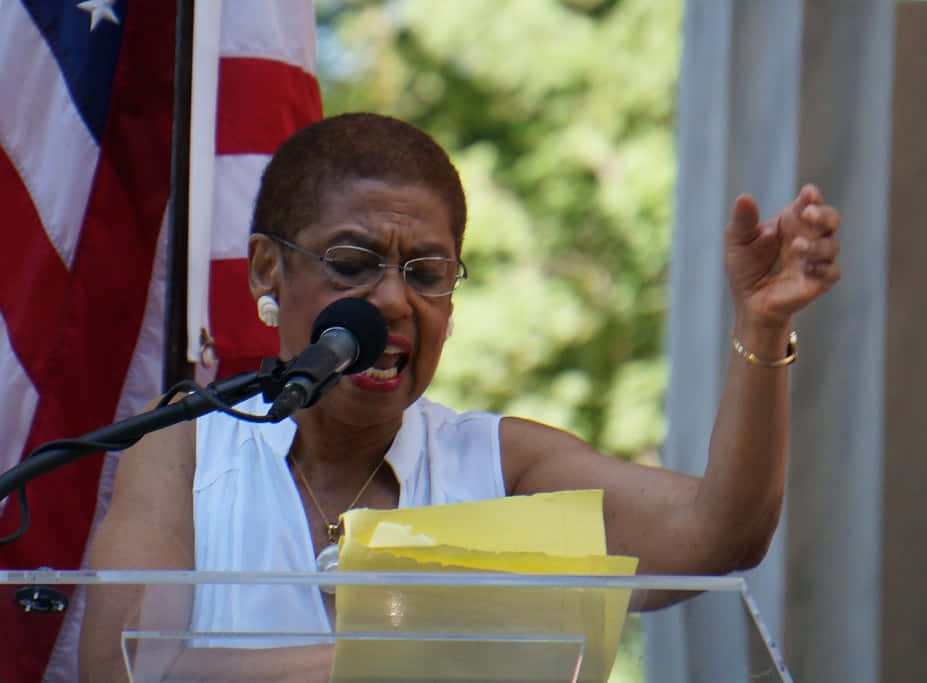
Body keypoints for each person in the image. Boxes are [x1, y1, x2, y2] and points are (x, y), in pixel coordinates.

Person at [79, 112, 840, 680]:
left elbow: (718, 533)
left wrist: (762, 326)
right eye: (354, 262)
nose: (393, 300)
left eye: (427, 272)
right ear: (265, 271)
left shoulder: (502, 462)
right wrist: (412, 656)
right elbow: (126, 671)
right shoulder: (182, 443)